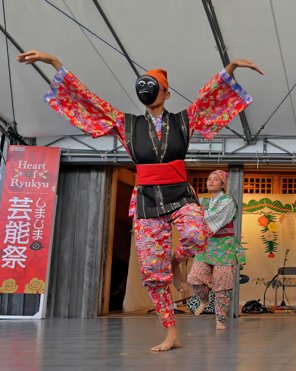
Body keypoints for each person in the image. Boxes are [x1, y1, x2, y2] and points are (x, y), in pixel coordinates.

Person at [19, 50, 262, 351]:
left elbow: (209, 97)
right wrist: (55, 63)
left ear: (166, 92)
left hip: (180, 193)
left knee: (196, 236)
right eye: (144, 84)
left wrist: (232, 66)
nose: (147, 89)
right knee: (151, 272)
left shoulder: (184, 119)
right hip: (147, 199)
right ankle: (171, 332)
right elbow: (89, 101)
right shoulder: (126, 123)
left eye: (154, 84)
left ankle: (176, 260)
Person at [187, 170, 246, 330]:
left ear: (223, 184)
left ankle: (220, 320)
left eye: (216, 179)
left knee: (222, 286)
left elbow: (210, 218)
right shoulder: (203, 202)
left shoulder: (228, 201)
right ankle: (205, 300)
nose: (211, 181)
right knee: (194, 278)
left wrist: (196, 214)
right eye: (209, 179)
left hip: (225, 248)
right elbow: (189, 211)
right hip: (207, 246)